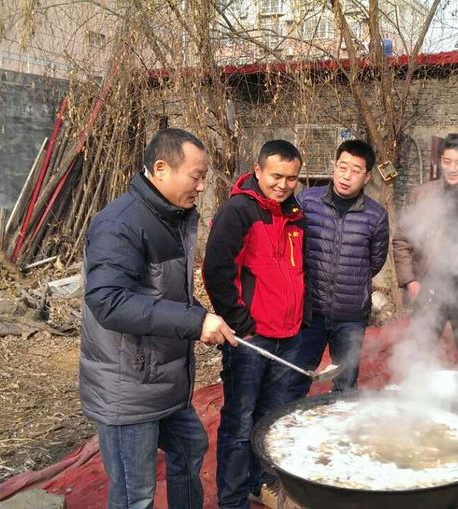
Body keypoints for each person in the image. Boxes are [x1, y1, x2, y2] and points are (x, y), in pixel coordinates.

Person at [80, 128, 236, 509]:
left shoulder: (171, 218)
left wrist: (196, 317)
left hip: (164, 380)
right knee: (137, 495)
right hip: (128, 387)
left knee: (190, 448)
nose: (201, 187)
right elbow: (108, 300)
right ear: (162, 169)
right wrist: (195, 323)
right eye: (196, 177)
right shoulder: (120, 223)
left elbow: (161, 295)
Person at [203, 139, 308, 509]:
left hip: (289, 336)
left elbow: (299, 271)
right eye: (276, 175)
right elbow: (217, 270)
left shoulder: (294, 215)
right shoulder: (239, 212)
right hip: (252, 339)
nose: (283, 184)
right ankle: (231, 498)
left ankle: (260, 482)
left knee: (272, 419)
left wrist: (302, 316)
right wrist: (241, 324)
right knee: (240, 421)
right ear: (259, 170)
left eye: (291, 178)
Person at [287, 139, 389, 399]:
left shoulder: (375, 215)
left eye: (355, 170)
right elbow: (293, 248)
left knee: (345, 384)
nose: (346, 176)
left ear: (366, 177)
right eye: (342, 167)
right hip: (310, 312)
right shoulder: (307, 202)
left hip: (351, 316)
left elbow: (374, 262)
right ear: (334, 166)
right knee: (295, 379)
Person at [392, 136, 458, 359]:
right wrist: (410, 280)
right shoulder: (421, 195)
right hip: (429, 289)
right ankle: (418, 391)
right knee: (420, 353)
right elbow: (402, 241)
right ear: (440, 161)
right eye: (447, 161)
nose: (452, 169)